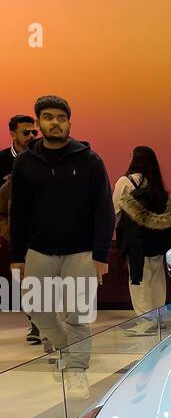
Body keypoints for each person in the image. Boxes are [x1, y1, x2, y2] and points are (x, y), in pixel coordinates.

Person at [9, 95, 114, 398]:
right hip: (39, 250)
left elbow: (104, 209)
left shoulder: (90, 160)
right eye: (48, 117)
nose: (55, 122)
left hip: (81, 252)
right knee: (37, 310)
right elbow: (19, 212)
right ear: (39, 122)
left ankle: (77, 368)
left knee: (76, 314)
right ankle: (63, 346)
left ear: (70, 122)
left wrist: (101, 254)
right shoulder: (26, 162)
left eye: (61, 117)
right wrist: (17, 256)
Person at [113, 146, 171, 334]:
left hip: (136, 241)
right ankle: (158, 318)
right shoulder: (156, 183)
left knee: (138, 280)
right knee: (157, 279)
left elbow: (116, 210)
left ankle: (145, 320)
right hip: (157, 240)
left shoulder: (124, 181)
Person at [0, 114, 42, 344]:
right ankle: (35, 322)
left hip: (44, 232)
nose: (30, 136)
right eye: (25, 132)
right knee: (26, 281)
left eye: (33, 132)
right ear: (13, 134)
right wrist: (7, 230)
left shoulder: (41, 158)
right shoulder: (1, 161)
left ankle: (43, 323)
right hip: (16, 234)